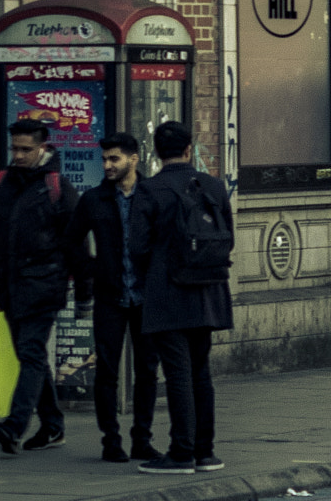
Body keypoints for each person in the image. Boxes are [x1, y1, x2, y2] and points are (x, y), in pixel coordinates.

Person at [0, 118, 89, 455]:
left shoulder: (57, 187)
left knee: (29, 354)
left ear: (43, 148)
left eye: (26, 149)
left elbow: (77, 245)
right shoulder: (0, 184)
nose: (19, 155)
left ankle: (14, 426)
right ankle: (53, 427)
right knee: (33, 356)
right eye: (15, 149)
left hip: (45, 286)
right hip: (9, 287)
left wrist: (85, 293)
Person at [129, 121, 234, 475]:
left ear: (155, 152)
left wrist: (152, 273)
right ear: (190, 149)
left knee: (177, 373)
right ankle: (206, 452)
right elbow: (228, 237)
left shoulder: (150, 189)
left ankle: (181, 452)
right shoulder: (214, 186)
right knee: (200, 371)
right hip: (207, 291)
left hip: (167, 291)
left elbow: (137, 246)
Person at [68, 131, 159, 462]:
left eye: (114, 159)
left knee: (147, 370)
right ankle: (111, 439)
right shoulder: (93, 199)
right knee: (106, 370)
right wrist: (91, 269)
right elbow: (72, 240)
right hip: (109, 297)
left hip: (147, 297)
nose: (106, 164)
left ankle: (142, 439)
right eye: (104, 159)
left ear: (133, 159)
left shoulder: (152, 196)